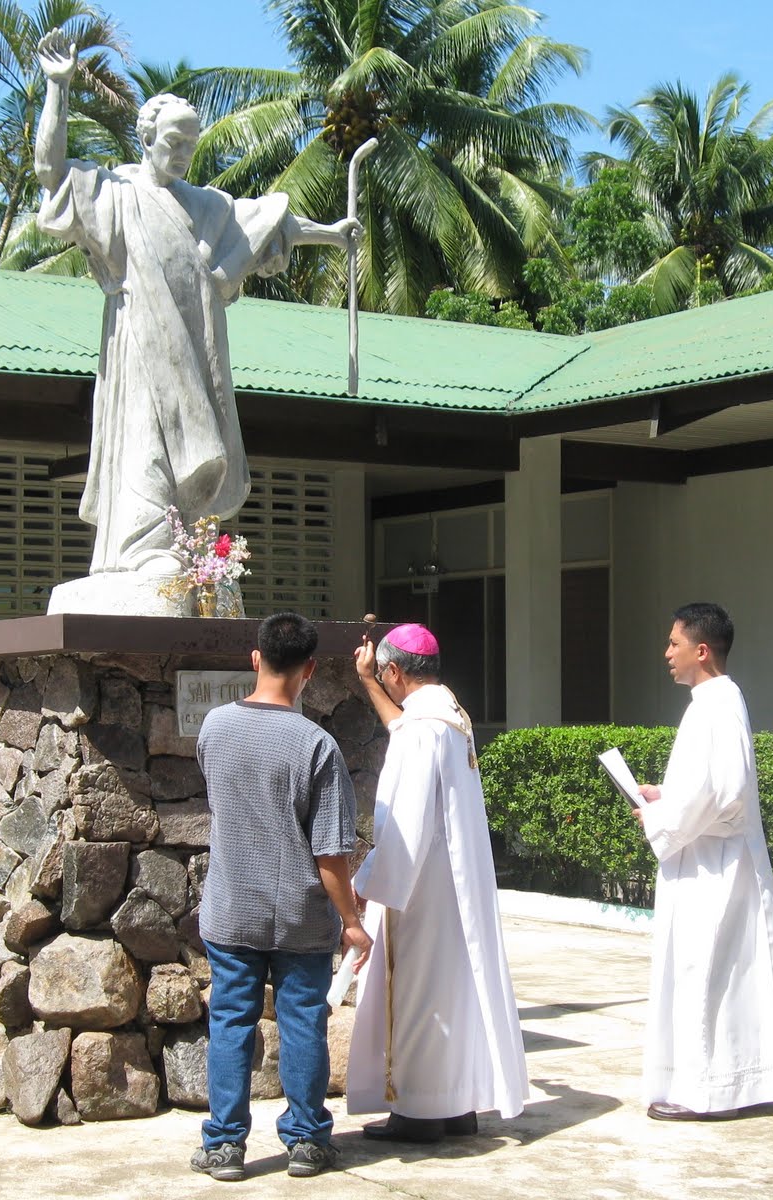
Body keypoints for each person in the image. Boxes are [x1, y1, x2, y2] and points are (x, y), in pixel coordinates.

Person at [34, 30, 361, 579]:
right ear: (146, 139)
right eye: (173, 141)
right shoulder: (117, 192)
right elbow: (51, 172)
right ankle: (140, 547)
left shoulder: (207, 206)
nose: (183, 153)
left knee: (191, 448)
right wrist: (58, 89)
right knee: (146, 440)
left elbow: (267, 222)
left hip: (196, 346)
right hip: (142, 340)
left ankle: (181, 545)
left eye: (191, 143)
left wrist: (331, 234)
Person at [193, 612, 372, 1181]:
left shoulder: (214, 727)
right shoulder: (316, 744)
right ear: (310, 670)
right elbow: (331, 853)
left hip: (231, 908)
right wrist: (351, 920)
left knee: (229, 1022)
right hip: (300, 915)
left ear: (256, 659)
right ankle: (307, 1141)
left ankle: (224, 1145)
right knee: (302, 1025)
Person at [631, 602, 773, 1120]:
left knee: (709, 973)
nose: (667, 653)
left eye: (674, 643)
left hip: (718, 867)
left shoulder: (719, 704)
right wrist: (665, 796)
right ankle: (722, 1086)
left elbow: (724, 792)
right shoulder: (709, 703)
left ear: (702, 650)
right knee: (717, 975)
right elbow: (705, 786)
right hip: (706, 859)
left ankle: (709, 1094)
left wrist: (662, 818)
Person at [345, 623, 529, 1141]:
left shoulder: (424, 728)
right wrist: (368, 682)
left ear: (396, 671)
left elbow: (407, 825)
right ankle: (455, 1106)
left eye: (383, 674)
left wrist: (366, 881)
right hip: (457, 885)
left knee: (418, 992)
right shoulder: (450, 715)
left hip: (421, 886)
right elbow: (402, 728)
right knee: (454, 991)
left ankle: (418, 1113)